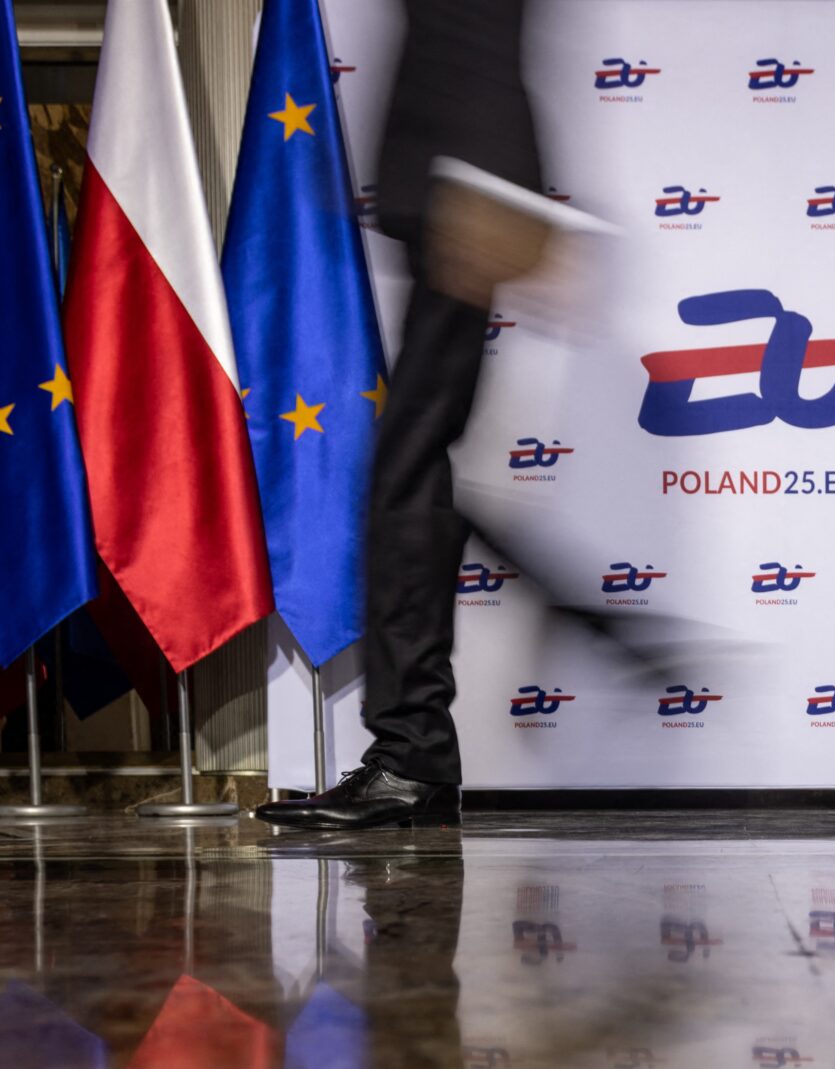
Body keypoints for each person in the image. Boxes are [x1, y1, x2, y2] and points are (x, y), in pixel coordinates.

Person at [257, 0, 556, 831]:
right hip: (461, 191)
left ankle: (413, 755)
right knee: (412, 477)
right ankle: (415, 751)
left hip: (468, 194)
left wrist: (483, 187)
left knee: (407, 478)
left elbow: (477, 30)